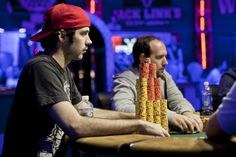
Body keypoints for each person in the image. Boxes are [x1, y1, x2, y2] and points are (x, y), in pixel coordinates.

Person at [2, 4, 169, 157]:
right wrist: (138, 125)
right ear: (62, 36)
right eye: (83, 34)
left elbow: (87, 111)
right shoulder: (40, 67)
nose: (89, 41)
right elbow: (75, 125)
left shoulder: (61, 69)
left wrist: (135, 117)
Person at [112, 35, 203, 133]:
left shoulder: (163, 76)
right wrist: (171, 116)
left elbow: (178, 100)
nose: (165, 62)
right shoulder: (125, 79)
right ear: (143, 59)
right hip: (138, 140)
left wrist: (187, 113)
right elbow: (122, 109)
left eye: (165, 56)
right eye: (160, 57)